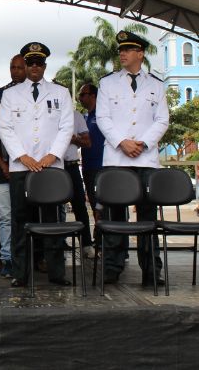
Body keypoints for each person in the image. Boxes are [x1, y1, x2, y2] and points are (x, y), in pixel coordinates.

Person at [96, 31, 168, 287]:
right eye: (120, 50)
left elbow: (162, 119)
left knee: (148, 218)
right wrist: (122, 142)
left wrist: (144, 143)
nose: (122, 54)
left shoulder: (156, 85)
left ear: (141, 53)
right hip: (117, 158)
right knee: (115, 217)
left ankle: (151, 271)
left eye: (128, 50)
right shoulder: (107, 83)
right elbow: (102, 117)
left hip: (146, 159)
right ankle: (112, 268)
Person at [0, 42, 74, 287]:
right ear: (25, 65)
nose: (34, 67)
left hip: (50, 167)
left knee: (52, 222)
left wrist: (52, 155)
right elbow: (5, 128)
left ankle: (56, 272)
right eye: (30, 63)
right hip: (22, 167)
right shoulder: (10, 95)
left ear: (44, 66)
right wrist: (23, 156)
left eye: (39, 63)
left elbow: (66, 127)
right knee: (20, 221)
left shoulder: (60, 92)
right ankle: (21, 273)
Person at [0, 54, 27, 278]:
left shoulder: (37, 93)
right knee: (5, 216)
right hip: (2, 167)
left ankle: (31, 258)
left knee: (26, 217)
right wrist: (4, 165)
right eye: (12, 67)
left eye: (19, 67)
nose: (15, 71)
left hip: (28, 168)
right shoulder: (0, 94)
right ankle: (7, 259)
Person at [63, 103, 95, 259]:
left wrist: (73, 139)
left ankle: (86, 244)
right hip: (51, 166)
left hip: (71, 166)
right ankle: (53, 247)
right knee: (50, 208)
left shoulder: (76, 116)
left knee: (80, 206)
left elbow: (87, 143)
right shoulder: (44, 115)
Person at [78, 83, 105, 214]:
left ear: (93, 96)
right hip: (87, 167)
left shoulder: (103, 115)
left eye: (83, 95)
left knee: (104, 206)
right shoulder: (84, 117)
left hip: (101, 168)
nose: (79, 98)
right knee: (94, 205)